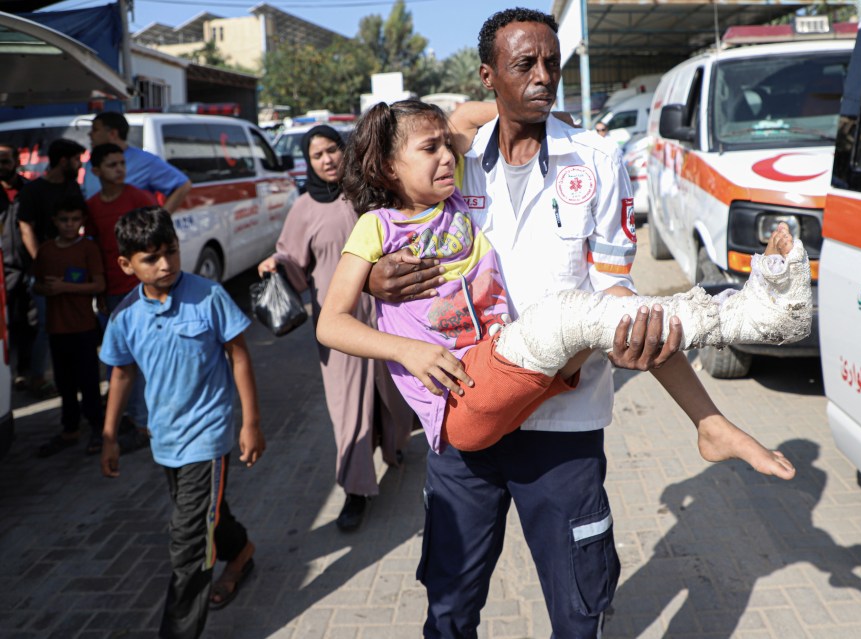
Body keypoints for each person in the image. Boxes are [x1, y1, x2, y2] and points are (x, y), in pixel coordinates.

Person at [361, 9, 793, 637]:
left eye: (552, 64)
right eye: (524, 65)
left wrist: (709, 417)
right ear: (488, 75)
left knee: (579, 612)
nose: (543, 77)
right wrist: (376, 276)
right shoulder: (451, 163)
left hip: (563, 431)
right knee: (450, 608)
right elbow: (375, 233)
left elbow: (614, 294)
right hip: (462, 423)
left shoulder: (594, 160)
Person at [319, 99, 808, 455]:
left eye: (448, 146)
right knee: (567, 316)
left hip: (504, 373)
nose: (448, 155)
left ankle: (716, 406)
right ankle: (753, 316)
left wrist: (544, 118)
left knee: (618, 317)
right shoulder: (375, 227)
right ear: (386, 166)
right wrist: (404, 346)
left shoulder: (455, 196)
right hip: (458, 400)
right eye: (430, 149)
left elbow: (465, 119)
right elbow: (330, 324)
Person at [100, 207, 263, 636]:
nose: (166, 264)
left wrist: (251, 422)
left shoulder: (208, 296)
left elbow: (239, 354)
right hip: (165, 439)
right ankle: (240, 550)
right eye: (151, 258)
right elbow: (120, 373)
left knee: (188, 542)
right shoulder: (125, 316)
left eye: (170, 251)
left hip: (208, 438)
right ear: (126, 265)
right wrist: (109, 435)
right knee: (207, 514)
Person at [256, 125, 414, 531]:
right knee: (348, 412)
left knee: (393, 396)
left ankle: (396, 449)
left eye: (332, 150)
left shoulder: (367, 195)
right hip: (338, 327)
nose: (327, 160)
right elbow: (292, 259)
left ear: (345, 151)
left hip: (386, 317)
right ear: (307, 163)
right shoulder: (304, 207)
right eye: (316, 155)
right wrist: (277, 265)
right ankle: (356, 490)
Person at [85, 142, 157, 451]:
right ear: (96, 171)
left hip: (142, 292)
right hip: (112, 296)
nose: (119, 170)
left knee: (143, 358)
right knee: (118, 359)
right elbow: (95, 250)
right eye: (112, 165)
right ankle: (129, 416)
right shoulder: (92, 207)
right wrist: (99, 291)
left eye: (122, 164)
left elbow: (158, 237)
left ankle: (143, 423)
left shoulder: (138, 198)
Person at [32, 194, 105, 457]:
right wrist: (48, 288)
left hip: (83, 327)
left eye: (75, 219)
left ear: (82, 220)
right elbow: (37, 285)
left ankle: (99, 428)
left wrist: (65, 287)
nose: (70, 224)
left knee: (89, 382)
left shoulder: (88, 249)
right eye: (64, 220)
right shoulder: (46, 250)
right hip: (56, 328)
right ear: (55, 221)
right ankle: (70, 428)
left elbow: (98, 285)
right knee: (65, 384)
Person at [16, 138, 86, 399]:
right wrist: (41, 262)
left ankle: (73, 376)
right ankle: (37, 377)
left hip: (73, 268)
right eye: (77, 160)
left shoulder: (72, 188)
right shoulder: (34, 191)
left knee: (74, 321)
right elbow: (26, 229)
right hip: (43, 270)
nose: (80, 165)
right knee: (46, 325)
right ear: (64, 161)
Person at [83, 111, 192, 212]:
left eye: (95, 130)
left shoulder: (145, 161)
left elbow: (183, 185)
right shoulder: (92, 162)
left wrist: (161, 219)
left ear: (113, 133)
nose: (90, 134)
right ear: (96, 170)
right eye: (112, 165)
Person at [0, 142, 36, 391]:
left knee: (30, 323)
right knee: (7, 324)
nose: (1, 166)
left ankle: (26, 371)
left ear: (17, 162)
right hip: (3, 271)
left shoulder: (30, 190)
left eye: (5, 160)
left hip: (29, 268)